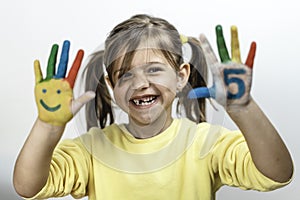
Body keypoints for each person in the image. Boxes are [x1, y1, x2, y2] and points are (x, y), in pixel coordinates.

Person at [13, 14, 293, 200]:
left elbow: (277, 173)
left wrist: (243, 108)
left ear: (181, 75)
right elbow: (27, 187)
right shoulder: (92, 149)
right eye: (126, 75)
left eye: (154, 70)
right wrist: (48, 126)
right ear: (111, 85)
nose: (140, 83)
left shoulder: (205, 143)